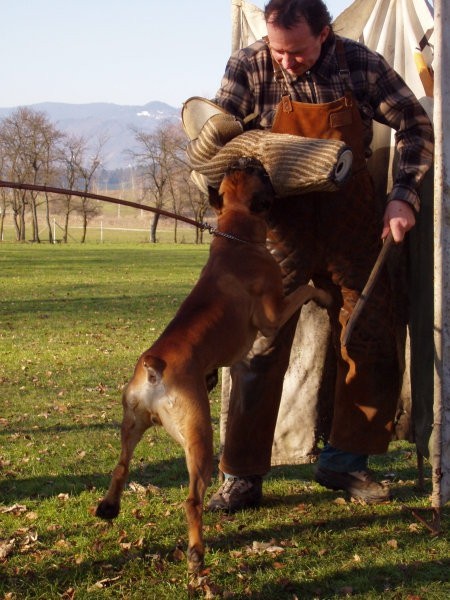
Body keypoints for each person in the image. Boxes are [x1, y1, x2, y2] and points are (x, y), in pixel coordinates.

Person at [206, 0, 434, 511]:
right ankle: (242, 474)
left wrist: (403, 194)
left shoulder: (362, 64)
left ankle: (345, 461)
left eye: (297, 52)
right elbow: (218, 141)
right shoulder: (248, 65)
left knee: (370, 333)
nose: (285, 60)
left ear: (325, 34)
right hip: (280, 227)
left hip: (352, 224)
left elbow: (416, 126)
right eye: (276, 49)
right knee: (259, 344)